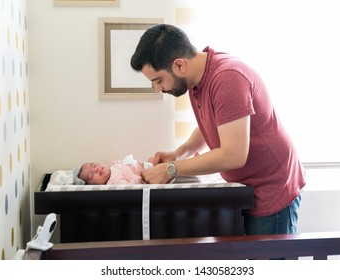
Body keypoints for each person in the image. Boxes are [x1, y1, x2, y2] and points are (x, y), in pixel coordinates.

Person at [130, 24, 306, 235]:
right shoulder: (198, 79)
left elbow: (233, 156)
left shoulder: (227, 78)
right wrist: (179, 153)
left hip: (271, 187)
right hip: (246, 188)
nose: (158, 89)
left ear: (179, 66)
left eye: (158, 80)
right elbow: (212, 123)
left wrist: (171, 169)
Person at [72, 154, 152, 185]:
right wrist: (137, 175)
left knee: (152, 159)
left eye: (94, 165)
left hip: (143, 167)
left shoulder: (113, 166)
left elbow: (122, 165)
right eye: (91, 175)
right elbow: (130, 187)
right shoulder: (113, 182)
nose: (95, 169)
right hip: (144, 177)